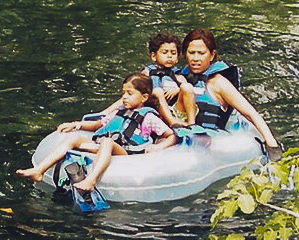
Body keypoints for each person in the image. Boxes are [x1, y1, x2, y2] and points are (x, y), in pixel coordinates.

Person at [17, 73, 179, 198]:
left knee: (107, 142)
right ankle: (39, 170)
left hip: (126, 152)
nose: (124, 97)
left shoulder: (148, 117)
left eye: (129, 93)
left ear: (144, 97)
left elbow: (171, 135)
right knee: (74, 139)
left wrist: (158, 147)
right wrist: (76, 125)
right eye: (123, 93)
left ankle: (91, 180)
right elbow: (97, 125)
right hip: (104, 146)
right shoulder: (119, 112)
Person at [179, 28, 280, 150]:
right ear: (185, 54)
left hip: (209, 141)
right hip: (182, 137)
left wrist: (272, 144)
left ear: (212, 55)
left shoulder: (218, 82)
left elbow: (250, 113)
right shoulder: (177, 78)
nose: (195, 58)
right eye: (191, 52)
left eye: (201, 53)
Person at [144, 32, 198, 129]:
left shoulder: (178, 76)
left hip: (175, 109)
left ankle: (191, 124)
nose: (169, 56)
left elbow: (189, 93)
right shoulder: (147, 73)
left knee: (187, 87)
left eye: (173, 53)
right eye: (165, 53)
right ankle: (172, 122)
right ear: (154, 56)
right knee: (157, 91)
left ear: (177, 58)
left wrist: (178, 90)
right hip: (154, 108)